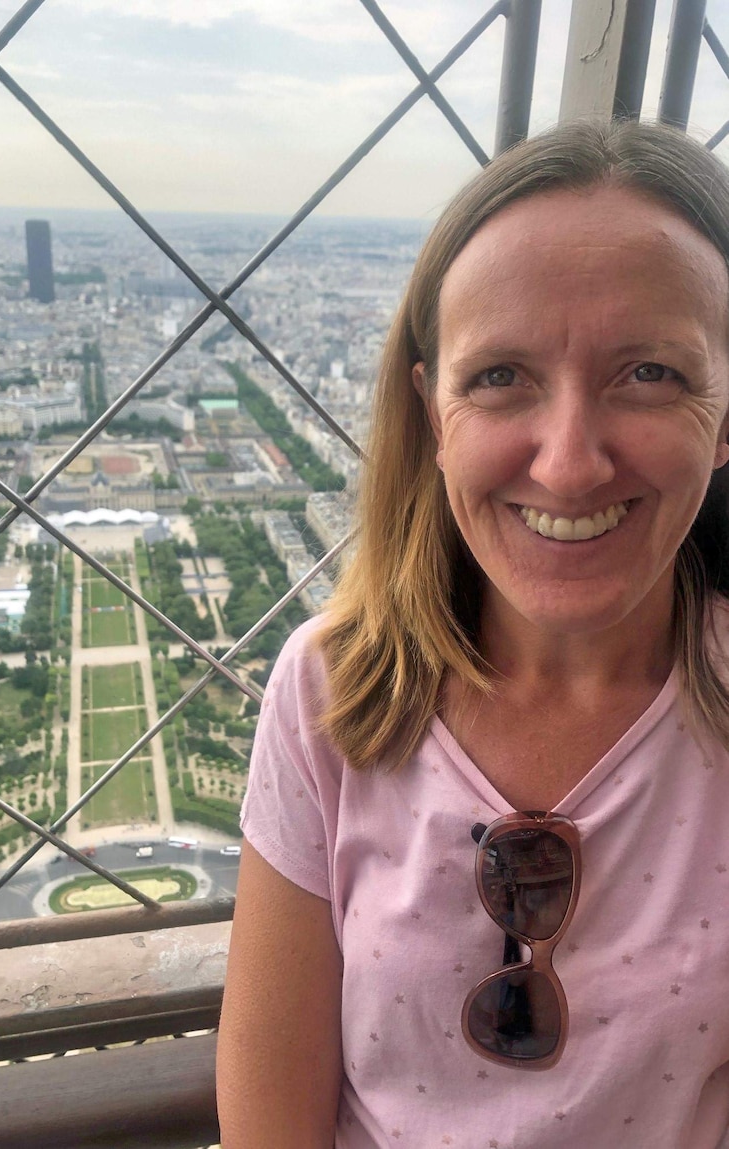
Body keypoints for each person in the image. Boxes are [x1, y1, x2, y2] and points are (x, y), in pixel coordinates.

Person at [216, 118, 729, 1148]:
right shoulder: (327, 692)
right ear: (431, 410)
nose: (570, 464)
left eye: (650, 375)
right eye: (500, 377)